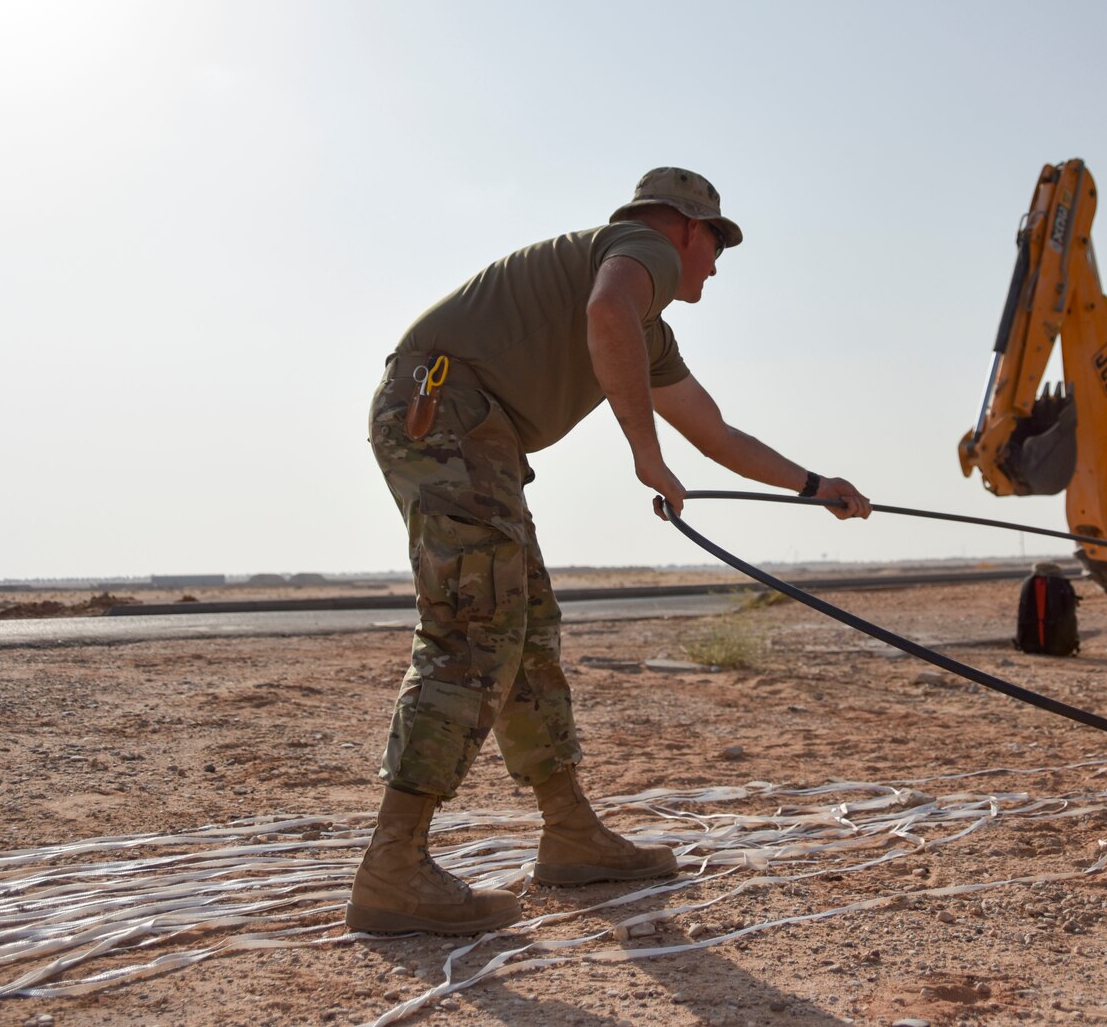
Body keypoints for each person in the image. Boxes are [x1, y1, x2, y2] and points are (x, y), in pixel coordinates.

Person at [347, 167, 872, 935]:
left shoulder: (647, 326)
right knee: (474, 629)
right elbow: (606, 310)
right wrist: (644, 452)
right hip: (446, 414)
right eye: (715, 242)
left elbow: (715, 431)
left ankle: (569, 832)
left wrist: (815, 485)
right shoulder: (639, 251)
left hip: (467, 427)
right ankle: (392, 865)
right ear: (683, 228)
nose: (716, 263)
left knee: (524, 632)